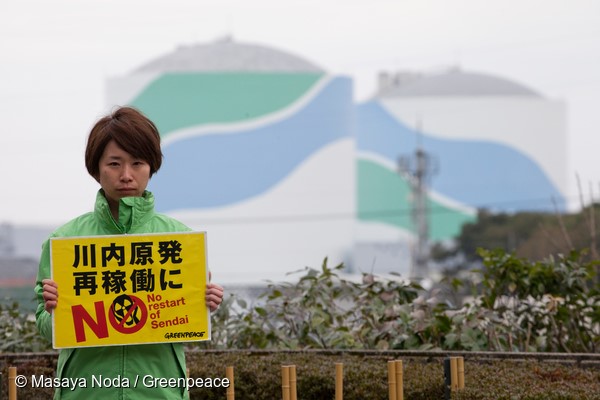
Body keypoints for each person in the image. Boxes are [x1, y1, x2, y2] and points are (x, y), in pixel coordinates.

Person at [34, 106, 224, 399]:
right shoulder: (64, 241)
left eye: (137, 163)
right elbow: (47, 330)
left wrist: (204, 303)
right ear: (96, 169)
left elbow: (187, 323)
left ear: (151, 167)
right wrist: (53, 312)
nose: (126, 175)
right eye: (114, 164)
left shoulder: (180, 239)